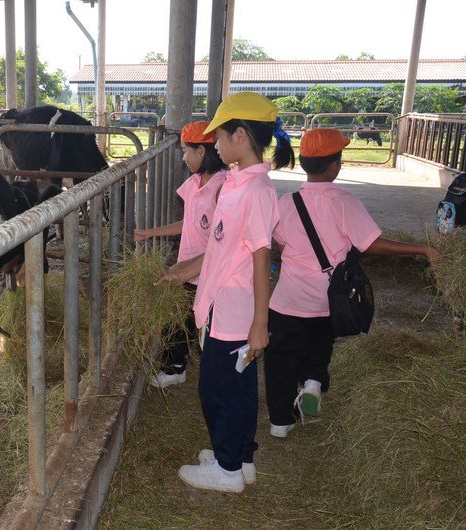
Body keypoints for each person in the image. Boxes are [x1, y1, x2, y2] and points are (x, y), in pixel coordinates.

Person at [265, 128, 442, 437]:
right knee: (320, 343)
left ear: (304, 163)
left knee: (280, 357)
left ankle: (281, 422)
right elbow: (371, 243)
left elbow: (277, 241)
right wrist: (421, 249)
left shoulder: (286, 202)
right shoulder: (345, 201)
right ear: (335, 165)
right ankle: (312, 383)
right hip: (329, 299)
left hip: (288, 300)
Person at [162, 92, 294, 493]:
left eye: (218, 136)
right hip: (227, 301)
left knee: (218, 387)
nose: (214, 143)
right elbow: (225, 245)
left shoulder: (254, 191)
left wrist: (260, 323)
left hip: (235, 308)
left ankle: (227, 469)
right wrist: (186, 267)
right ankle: (241, 457)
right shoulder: (239, 184)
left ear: (239, 136)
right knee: (238, 386)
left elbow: (259, 256)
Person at [134, 121, 227, 388]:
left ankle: (188, 367)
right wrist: (150, 233)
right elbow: (187, 223)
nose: (184, 158)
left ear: (202, 151)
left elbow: (224, 239)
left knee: (205, 321)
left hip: (208, 269)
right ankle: (176, 366)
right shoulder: (194, 183)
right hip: (185, 269)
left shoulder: (223, 188)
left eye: (186, 151)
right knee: (177, 319)